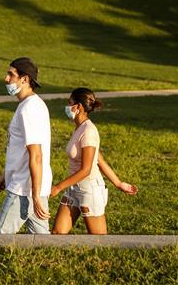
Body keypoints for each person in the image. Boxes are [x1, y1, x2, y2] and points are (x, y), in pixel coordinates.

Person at [50, 88, 138, 234]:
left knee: (99, 241)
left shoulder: (88, 131)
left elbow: (86, 170)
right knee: (57, 234)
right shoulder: (79, 128)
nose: (67, 106)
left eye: (69, 102)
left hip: (89, 191)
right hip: (73, 190)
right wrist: (119, 183)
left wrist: (58, 187)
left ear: (78, 107)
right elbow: (100, 159)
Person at [0, 57, 53, 234]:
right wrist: (5, 174)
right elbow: (19, 148)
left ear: (25, 79)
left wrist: (34, 195)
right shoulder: (31, 104)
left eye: (11, 75)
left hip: (23, 189)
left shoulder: (29, 109)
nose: (6, 79)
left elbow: (36, 155)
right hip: (32, 186)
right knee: (42, 242)